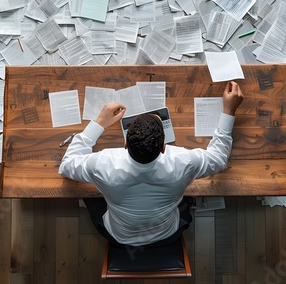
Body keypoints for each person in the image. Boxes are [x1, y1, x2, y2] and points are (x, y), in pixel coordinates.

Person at [58, 80, 244, 248]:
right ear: (163, 147)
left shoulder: (102, 163)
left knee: (88, 192)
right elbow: (219, 159)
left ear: (125, 143)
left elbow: (66, 165)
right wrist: (229, 111)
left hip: (118, 236)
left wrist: (98, 123)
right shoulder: (183, 161)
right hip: (167, 234)